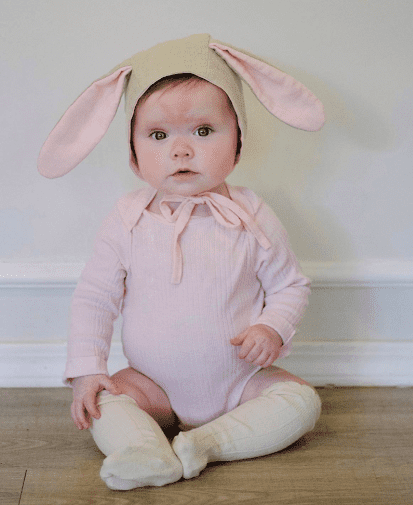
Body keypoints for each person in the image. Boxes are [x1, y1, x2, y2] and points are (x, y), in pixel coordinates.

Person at [38, 34, 325, 491]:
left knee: (301, 402)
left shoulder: (252, 215)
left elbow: (290, 285)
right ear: (133, 155)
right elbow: (96, 297)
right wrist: (87, 369)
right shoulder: (127, 220)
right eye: (158, 135)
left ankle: (206, 444)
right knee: (106, 401)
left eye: (204, 131)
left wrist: (273, 328)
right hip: (153, 385)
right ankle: (145, 451)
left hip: (241, 381)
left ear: (238, 144)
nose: (181, 150)